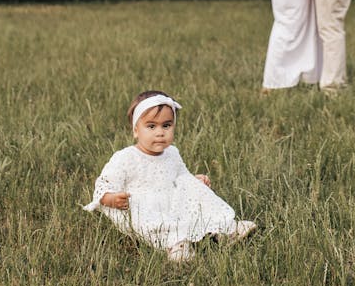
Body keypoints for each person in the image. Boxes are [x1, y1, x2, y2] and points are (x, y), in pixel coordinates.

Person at [83, 90, 256, 261]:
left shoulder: (172, 153)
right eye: (151, 126)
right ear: (136, 130)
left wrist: (195, 181)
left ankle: (224, 230)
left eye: (166, 125)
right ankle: (176, 244)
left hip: (171, 201)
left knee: (195, 194)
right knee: (160, 222)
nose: (160, 132)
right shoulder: (126, 157)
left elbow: (180, 175)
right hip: (143, 206)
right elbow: (104, 185)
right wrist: (111, 199)